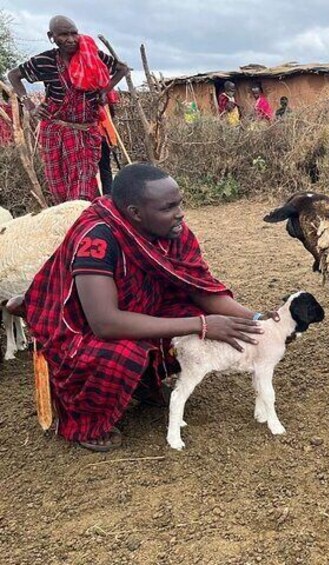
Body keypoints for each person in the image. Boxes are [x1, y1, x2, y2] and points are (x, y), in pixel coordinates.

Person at [23, 163, 278, 452]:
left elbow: (199, 288)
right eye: (168, 207)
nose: (179, 213)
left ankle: (144, 383)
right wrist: (201, 324)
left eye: (179, 204)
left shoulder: (172, 231)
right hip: (77, 328)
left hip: (140, 309)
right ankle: (85, 421)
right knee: (125, 355)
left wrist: (258, 319)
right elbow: (104, 323)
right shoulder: (97, 238)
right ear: (135, 213)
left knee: (196, 323)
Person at [7, 15, 128, 202]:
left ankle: (85, 224)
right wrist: (29, 104)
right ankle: (69, 225)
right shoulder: (44, 61)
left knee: (83, 188)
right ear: (52, 36)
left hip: (85, 132)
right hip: (54, 132)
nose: (71, 39)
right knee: (59, 187)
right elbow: (13, 75)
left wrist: (105, 91)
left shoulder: (91, 56)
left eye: (74, 33)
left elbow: (122, 68)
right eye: (64, 35)